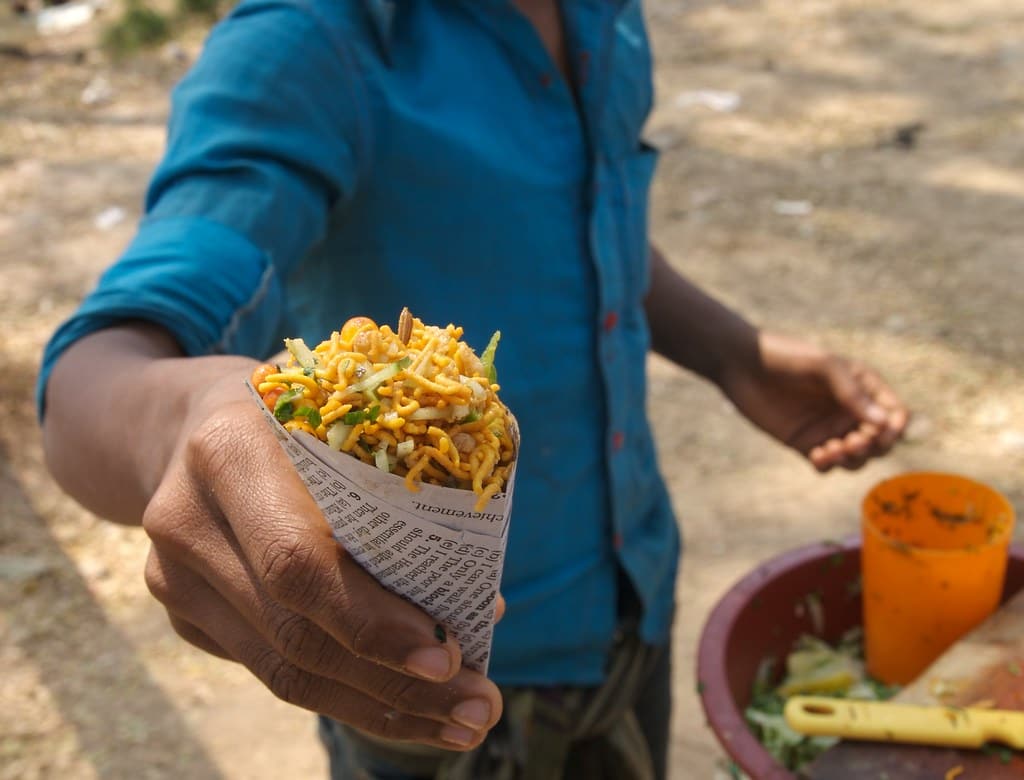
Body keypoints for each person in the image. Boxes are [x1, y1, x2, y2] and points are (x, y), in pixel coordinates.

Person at [37, 0, 909, 778]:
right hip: (428, 675)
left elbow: (589, 215)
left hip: (632, 593)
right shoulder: (308, 45)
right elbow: (95, 374)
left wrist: (729, 349)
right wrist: (189, 416)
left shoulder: (605, 19)